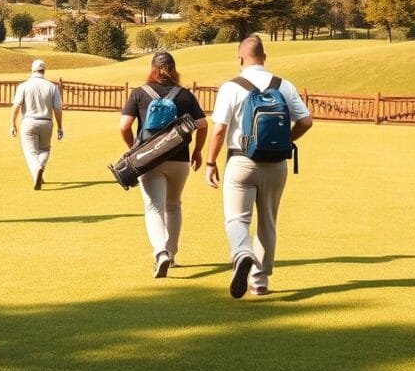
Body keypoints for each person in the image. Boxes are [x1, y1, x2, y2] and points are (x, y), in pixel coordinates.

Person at [205, 35, 313, 299]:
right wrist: (287, 140)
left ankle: (242, 253)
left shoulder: (231, 87)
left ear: (240, 58)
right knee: (268, 221)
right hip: (276, 163)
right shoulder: (283, 85)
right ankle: (260, 281)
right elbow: (306, 121)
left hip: (241, 160)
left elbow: (219, 129)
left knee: (236, 218)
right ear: (264, 57)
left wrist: (210, 162)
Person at [119, 51, 208, 279]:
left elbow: (124, 126)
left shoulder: (139, 93)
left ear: (152, 68)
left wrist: (133, 149)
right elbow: (202, 124)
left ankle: (160, 253)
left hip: (148, 159)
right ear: (174, 69)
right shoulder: (185, 95)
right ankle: (172, 252)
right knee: (174, 205)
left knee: (154, 207)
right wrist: (197, 150)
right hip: (179, 159)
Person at [10, 59, 64, 189]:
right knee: (45, 149)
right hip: (46, 122)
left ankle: (37, 169)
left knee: (30, 152)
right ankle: (40, 168)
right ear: (44, 71)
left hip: (28, 122)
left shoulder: (23, 86)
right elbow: (57, 108)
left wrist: (12, 124)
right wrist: (60, 127)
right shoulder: (52, 87)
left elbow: (16, 106)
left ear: (32, 70)